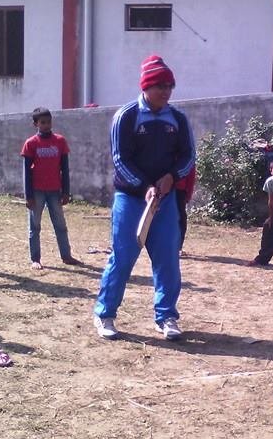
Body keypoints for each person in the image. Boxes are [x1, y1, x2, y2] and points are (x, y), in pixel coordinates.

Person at [93, 55, 195, 342]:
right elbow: (120, 160)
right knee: (123, 257)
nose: (166, 91)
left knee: (167, 259)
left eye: (170, 86)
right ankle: (105, 314)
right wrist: (145, 187)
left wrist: (172, 177)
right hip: (131, 199)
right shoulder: (126, 116)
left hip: (166, 200)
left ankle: (166, 316)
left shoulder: (178, 119)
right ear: (146, 87)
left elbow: (188, 156)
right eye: (160, 86)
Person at [21, 107, 79, 270]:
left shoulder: (60, 141)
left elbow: (65, 169)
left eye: (48, 122)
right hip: (37, 190)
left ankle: (66, 256)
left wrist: (66, 191)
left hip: (55, 190)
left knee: (60, 225)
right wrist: (28, 195)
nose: (46, 125)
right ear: (36, 124)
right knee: (35, 226)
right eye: (43, 122)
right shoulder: (31, 143)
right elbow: (26, 171)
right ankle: (35, 259)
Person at [175, 166, 197, 256]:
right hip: (168, 190)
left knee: (181, 219)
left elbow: (191, 177)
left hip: (179, 192)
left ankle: (178, 247)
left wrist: (188, 195)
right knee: (178, 220)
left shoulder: (187, 160)